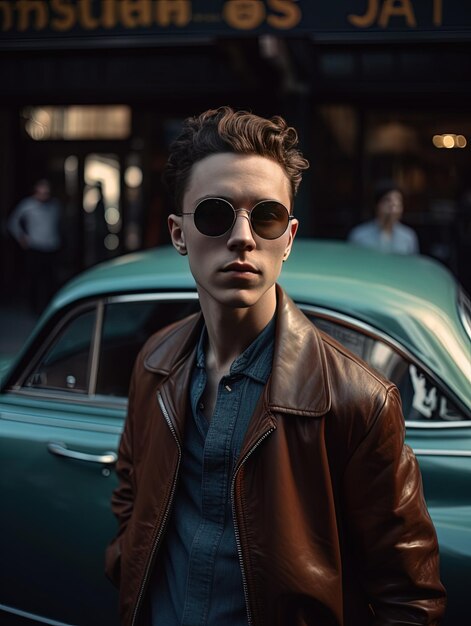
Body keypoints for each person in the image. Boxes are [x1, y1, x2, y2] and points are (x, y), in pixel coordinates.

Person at [105, 108, 446, 626]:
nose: (242, 237)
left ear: (286, 238)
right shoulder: (155, 361)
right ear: (178, 234)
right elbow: (131, 492)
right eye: (217, 214)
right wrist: (126, 562)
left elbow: (409, 597)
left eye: (264, 216)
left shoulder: (358, 399)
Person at [7, 178, 62, 313]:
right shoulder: (27, 205)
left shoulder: (55, 206)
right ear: (36, 192)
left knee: (50, 279)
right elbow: (12, 222)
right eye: (42, 192)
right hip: (35, 247)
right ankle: (34, 308)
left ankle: (50, 307)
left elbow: (60, 223)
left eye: (47, 193)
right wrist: (21, 237)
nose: (44, 196)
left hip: (51, 246)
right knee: (34, 278)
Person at [348, 180, 419, 254]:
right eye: (388, 201)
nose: (393, 207)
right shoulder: (359, 235)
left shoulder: (408, 237)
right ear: (377, 205)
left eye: (398, 203)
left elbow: (412, 263)